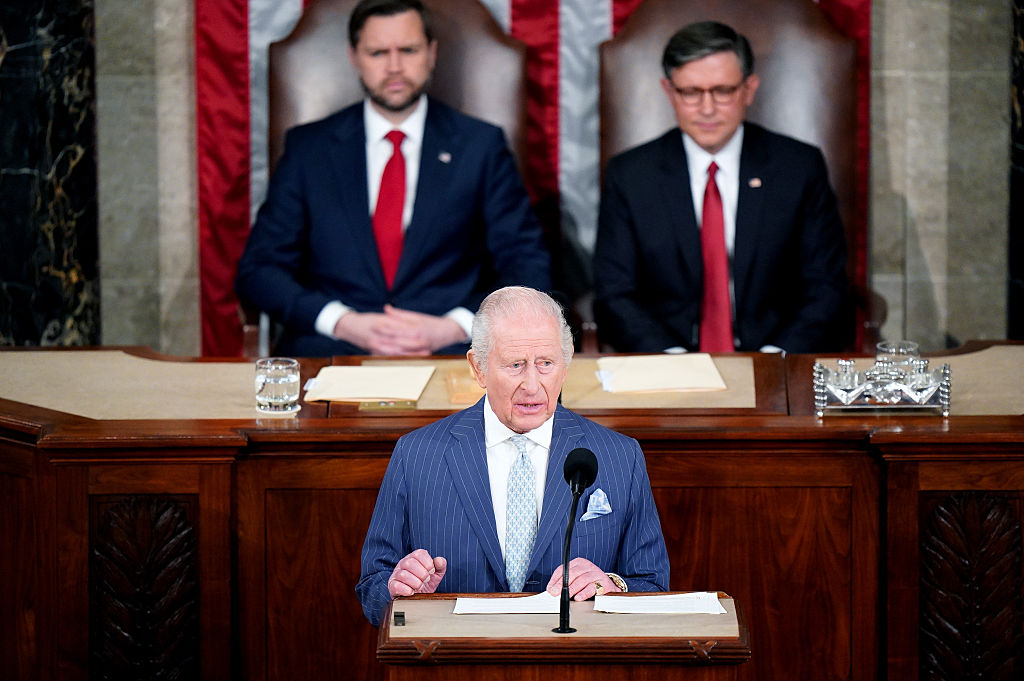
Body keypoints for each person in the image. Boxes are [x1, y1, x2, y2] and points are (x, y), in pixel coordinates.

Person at [236, 0, 551, 357]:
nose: (395, 67)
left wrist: (458, 326)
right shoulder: (310, 149)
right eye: (377, 53)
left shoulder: (480, 146)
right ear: (354, 57)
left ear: (431, 54)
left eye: (408, 50)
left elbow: (528, 266)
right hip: (333, 353)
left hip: (452, 353)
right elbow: (259, 271)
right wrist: (343, 322)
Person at [356, 286, 670, 626]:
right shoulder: (416, 455)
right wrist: (395, 589)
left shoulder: (620, 456)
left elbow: (652, 585)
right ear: (478, 367)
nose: (533, 385)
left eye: (546, 364)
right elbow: (373, 587)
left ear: (566, 364)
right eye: (516, 365)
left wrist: (613, 586)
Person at [593, 20, 848, 354]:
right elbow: (615, 293)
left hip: (775, 357)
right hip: (667, 362)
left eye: (723, 91)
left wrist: (775, 357)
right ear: (669, 92)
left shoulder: (798, 167)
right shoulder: (630, 174)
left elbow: (825, 286)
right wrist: (673, 360)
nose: (708, 108)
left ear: (749, 89)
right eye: (691, 92)